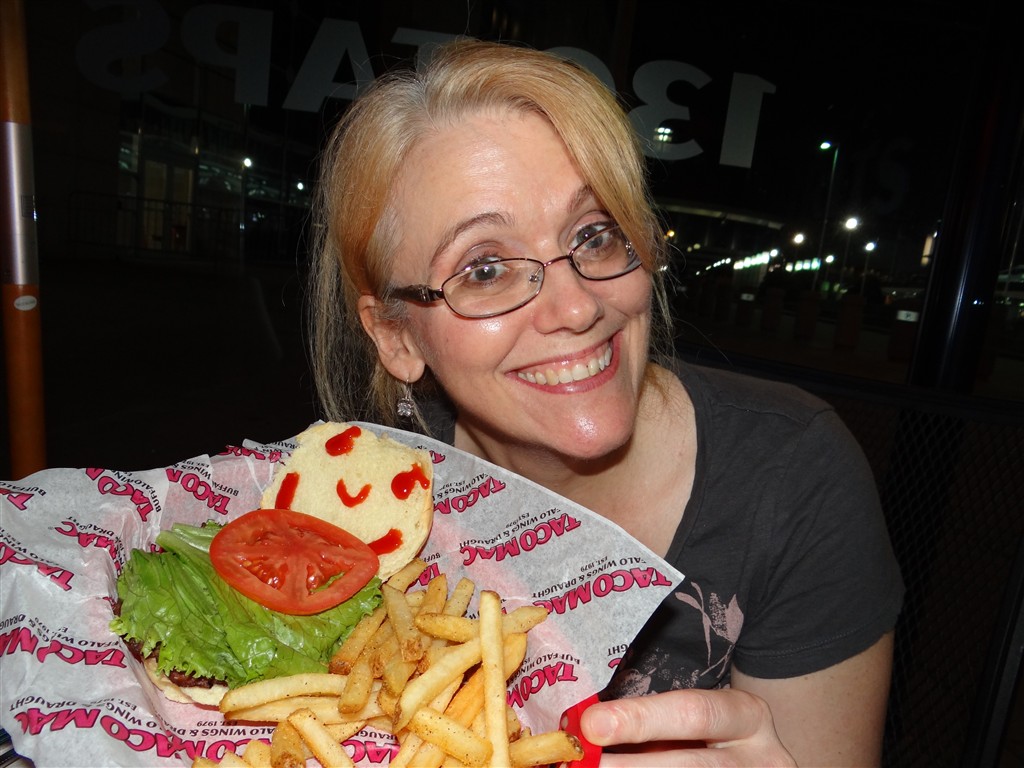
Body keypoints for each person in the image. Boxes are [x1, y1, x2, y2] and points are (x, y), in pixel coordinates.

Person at [308, 39, 904, 766]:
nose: (577, 306)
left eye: (594, 235)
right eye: (486, 268)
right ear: (397, 336)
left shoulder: (794, 477)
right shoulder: (361, 502)